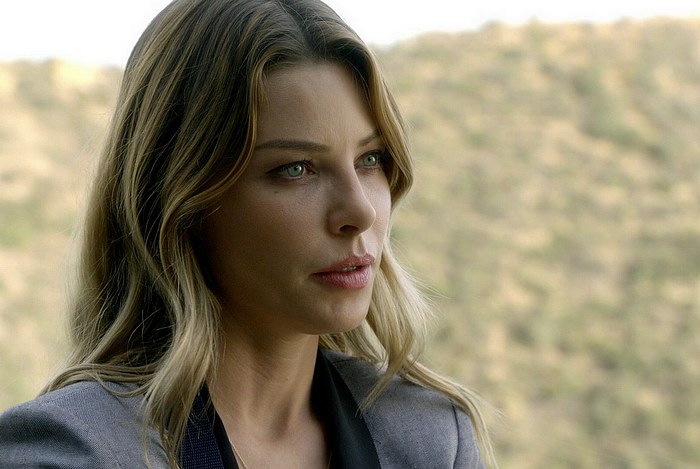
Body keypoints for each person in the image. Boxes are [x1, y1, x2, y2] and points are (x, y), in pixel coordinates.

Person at [0, 0, 495, 467]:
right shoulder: (73, 453)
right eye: (296, 168)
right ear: (184, 200)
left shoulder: (432, 440)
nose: (360, 212)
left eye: (370, 159)